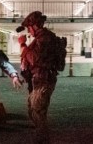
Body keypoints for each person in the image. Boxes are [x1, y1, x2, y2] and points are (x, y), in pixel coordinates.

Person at [18, 11, 60, 144]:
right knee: (33, 110)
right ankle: (41, 137)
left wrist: (23, 45)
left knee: (38, 111)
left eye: (29, 27)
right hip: (38, 79)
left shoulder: (45, 39)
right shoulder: (41, 38)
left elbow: (34, 58)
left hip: (43, 80)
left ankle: (42, 140)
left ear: (34, 26)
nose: (29, 31)